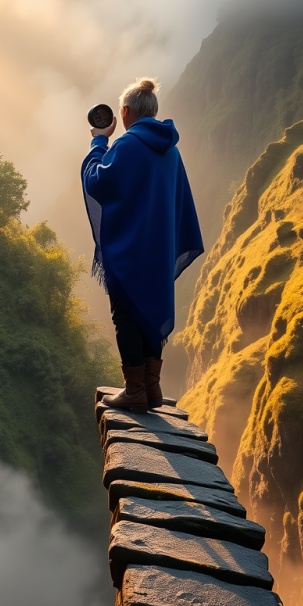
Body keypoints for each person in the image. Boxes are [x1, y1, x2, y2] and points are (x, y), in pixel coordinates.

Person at [81, 77, 203, 412]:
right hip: (159, 247)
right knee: (149, 309)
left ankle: (134, 390)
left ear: (124, 111)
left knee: (126, 315)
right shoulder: (170, 149)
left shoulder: (128, 144)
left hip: (133, 247)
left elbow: (97, 181)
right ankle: (151, 388)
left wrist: (98, 144)